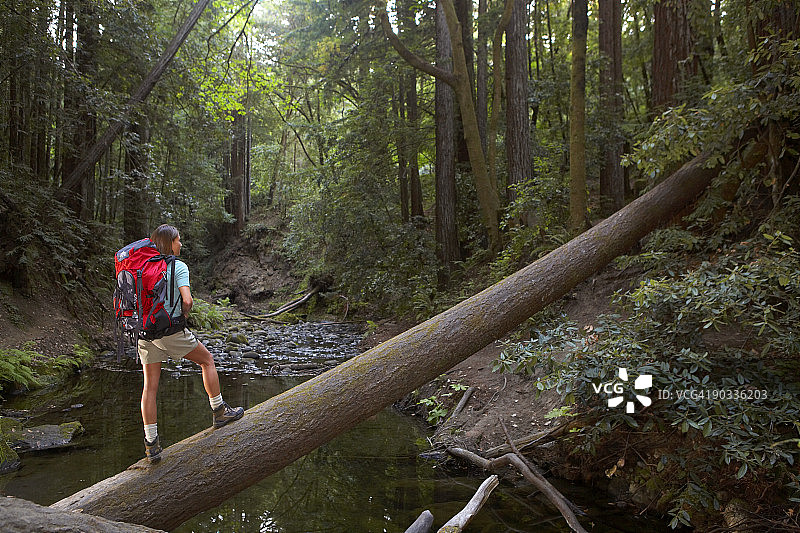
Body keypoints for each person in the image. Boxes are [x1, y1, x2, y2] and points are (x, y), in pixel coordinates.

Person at [138, 224, 244, 463]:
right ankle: (219, 412)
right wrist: (184, 314)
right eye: (178, 240)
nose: (181, 244)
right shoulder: (178, 266)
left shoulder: (144, 266)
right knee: (207, 361)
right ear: (170, 243)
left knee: (150, 387)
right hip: (169, 330)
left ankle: (151, 444)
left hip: (145, 333)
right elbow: (187, 300)